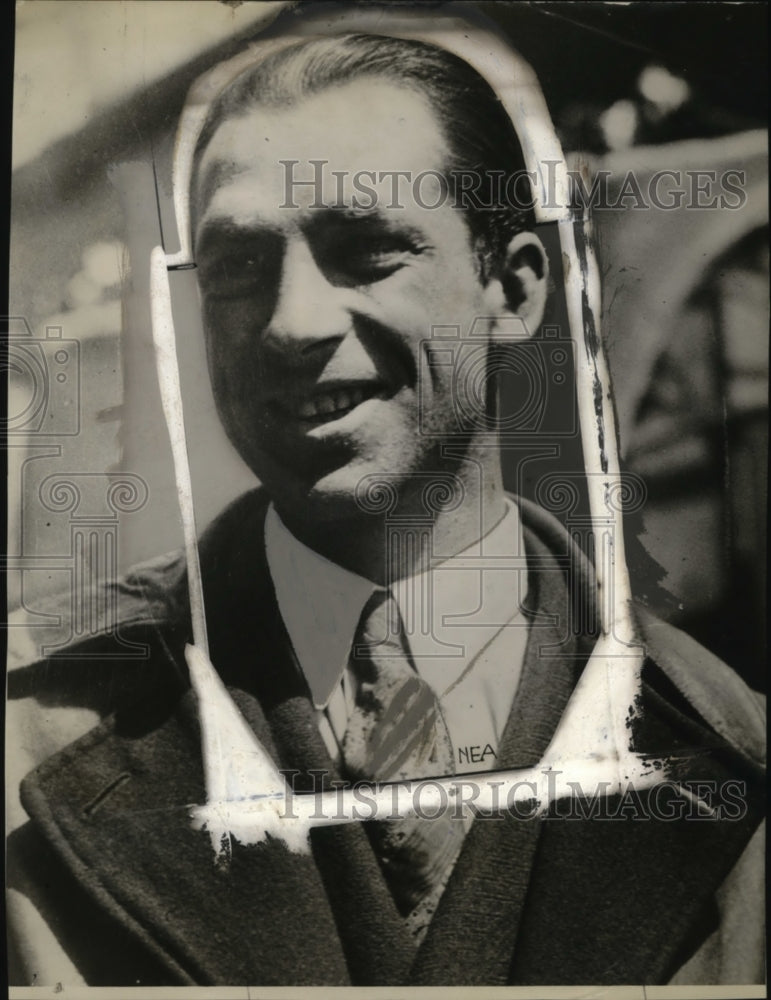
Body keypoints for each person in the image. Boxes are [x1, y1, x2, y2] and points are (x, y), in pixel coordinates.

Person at [6, 23, 765, 989]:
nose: (292, 324)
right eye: (239, 266)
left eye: (366, 251)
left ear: (513, 290)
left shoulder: (732, 757)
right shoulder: (30, 736)